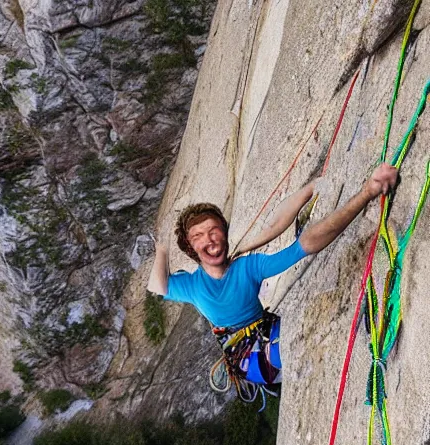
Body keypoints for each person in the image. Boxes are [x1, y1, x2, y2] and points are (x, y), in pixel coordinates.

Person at [147, 163, 398, 397]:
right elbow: (157, 287)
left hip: (267, 330)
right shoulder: (192, 286)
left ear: (225, 233)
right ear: (191, 249)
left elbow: (296, 242)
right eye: (199, 236)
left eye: (214, 230)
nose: (210, 239)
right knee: (295, 339)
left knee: (302, 328)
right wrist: (162, 250)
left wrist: (333, 190)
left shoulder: (247, 266)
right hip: (245, 354)